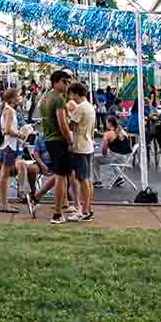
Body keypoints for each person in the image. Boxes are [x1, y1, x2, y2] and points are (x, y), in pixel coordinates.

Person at [40, 69, 73, 225]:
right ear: (56, 81)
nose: (67, 85)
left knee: (62, 175)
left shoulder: (45, 97)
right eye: (65, 82)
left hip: (49, 139)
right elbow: (62, 123)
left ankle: (38, 197)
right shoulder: (59, 99)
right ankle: (57, 214)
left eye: (68, 82)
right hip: (58, 140)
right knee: (60, 177)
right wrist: (70, 141)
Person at [0, 89, 30, 215]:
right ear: (13, 98)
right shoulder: (10, 111)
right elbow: (9, 129)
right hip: (9, 145)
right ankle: (4, 204)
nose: (20, 97)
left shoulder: (6, 110)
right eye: (18, 95)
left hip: (6, 144)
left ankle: (4, 203)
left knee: (4, 175)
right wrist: (20, 134)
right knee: (5, 175)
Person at [67, 82, 97, 221]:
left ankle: (84, 211)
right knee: (87, 179)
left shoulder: (80, 108)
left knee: (82, 179)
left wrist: (68, 113)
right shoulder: (90, 107)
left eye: (71, 93)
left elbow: (71, 125)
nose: (70, 96)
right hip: (88, 144)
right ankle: (87, 208)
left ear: (76, 94)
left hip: (80, 146)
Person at [94, 116, 132, 187]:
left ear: (109, 123)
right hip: (125, 158)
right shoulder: (121, 131)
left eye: (106, 122)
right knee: (112, 155)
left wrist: (106, 153)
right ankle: (119, 177)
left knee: (94, 159)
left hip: (115, 158)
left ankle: (98, 181)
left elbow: (104, 150)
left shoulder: (108, 134)